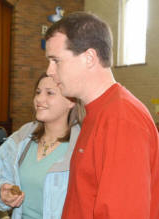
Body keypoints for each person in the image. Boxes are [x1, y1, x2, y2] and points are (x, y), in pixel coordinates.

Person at [45, 12, 159, 219]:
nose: (49, 71)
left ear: (89, 58)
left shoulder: (121, 119)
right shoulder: (98, 112)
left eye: (56, 60)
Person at [0, 73, 84, 219]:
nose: (39, 99)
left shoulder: (82, 147)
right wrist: (2, 191)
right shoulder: (22, 138)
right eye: (38, 92)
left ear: (71, 101)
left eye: (49, 93)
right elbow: (0, 177)